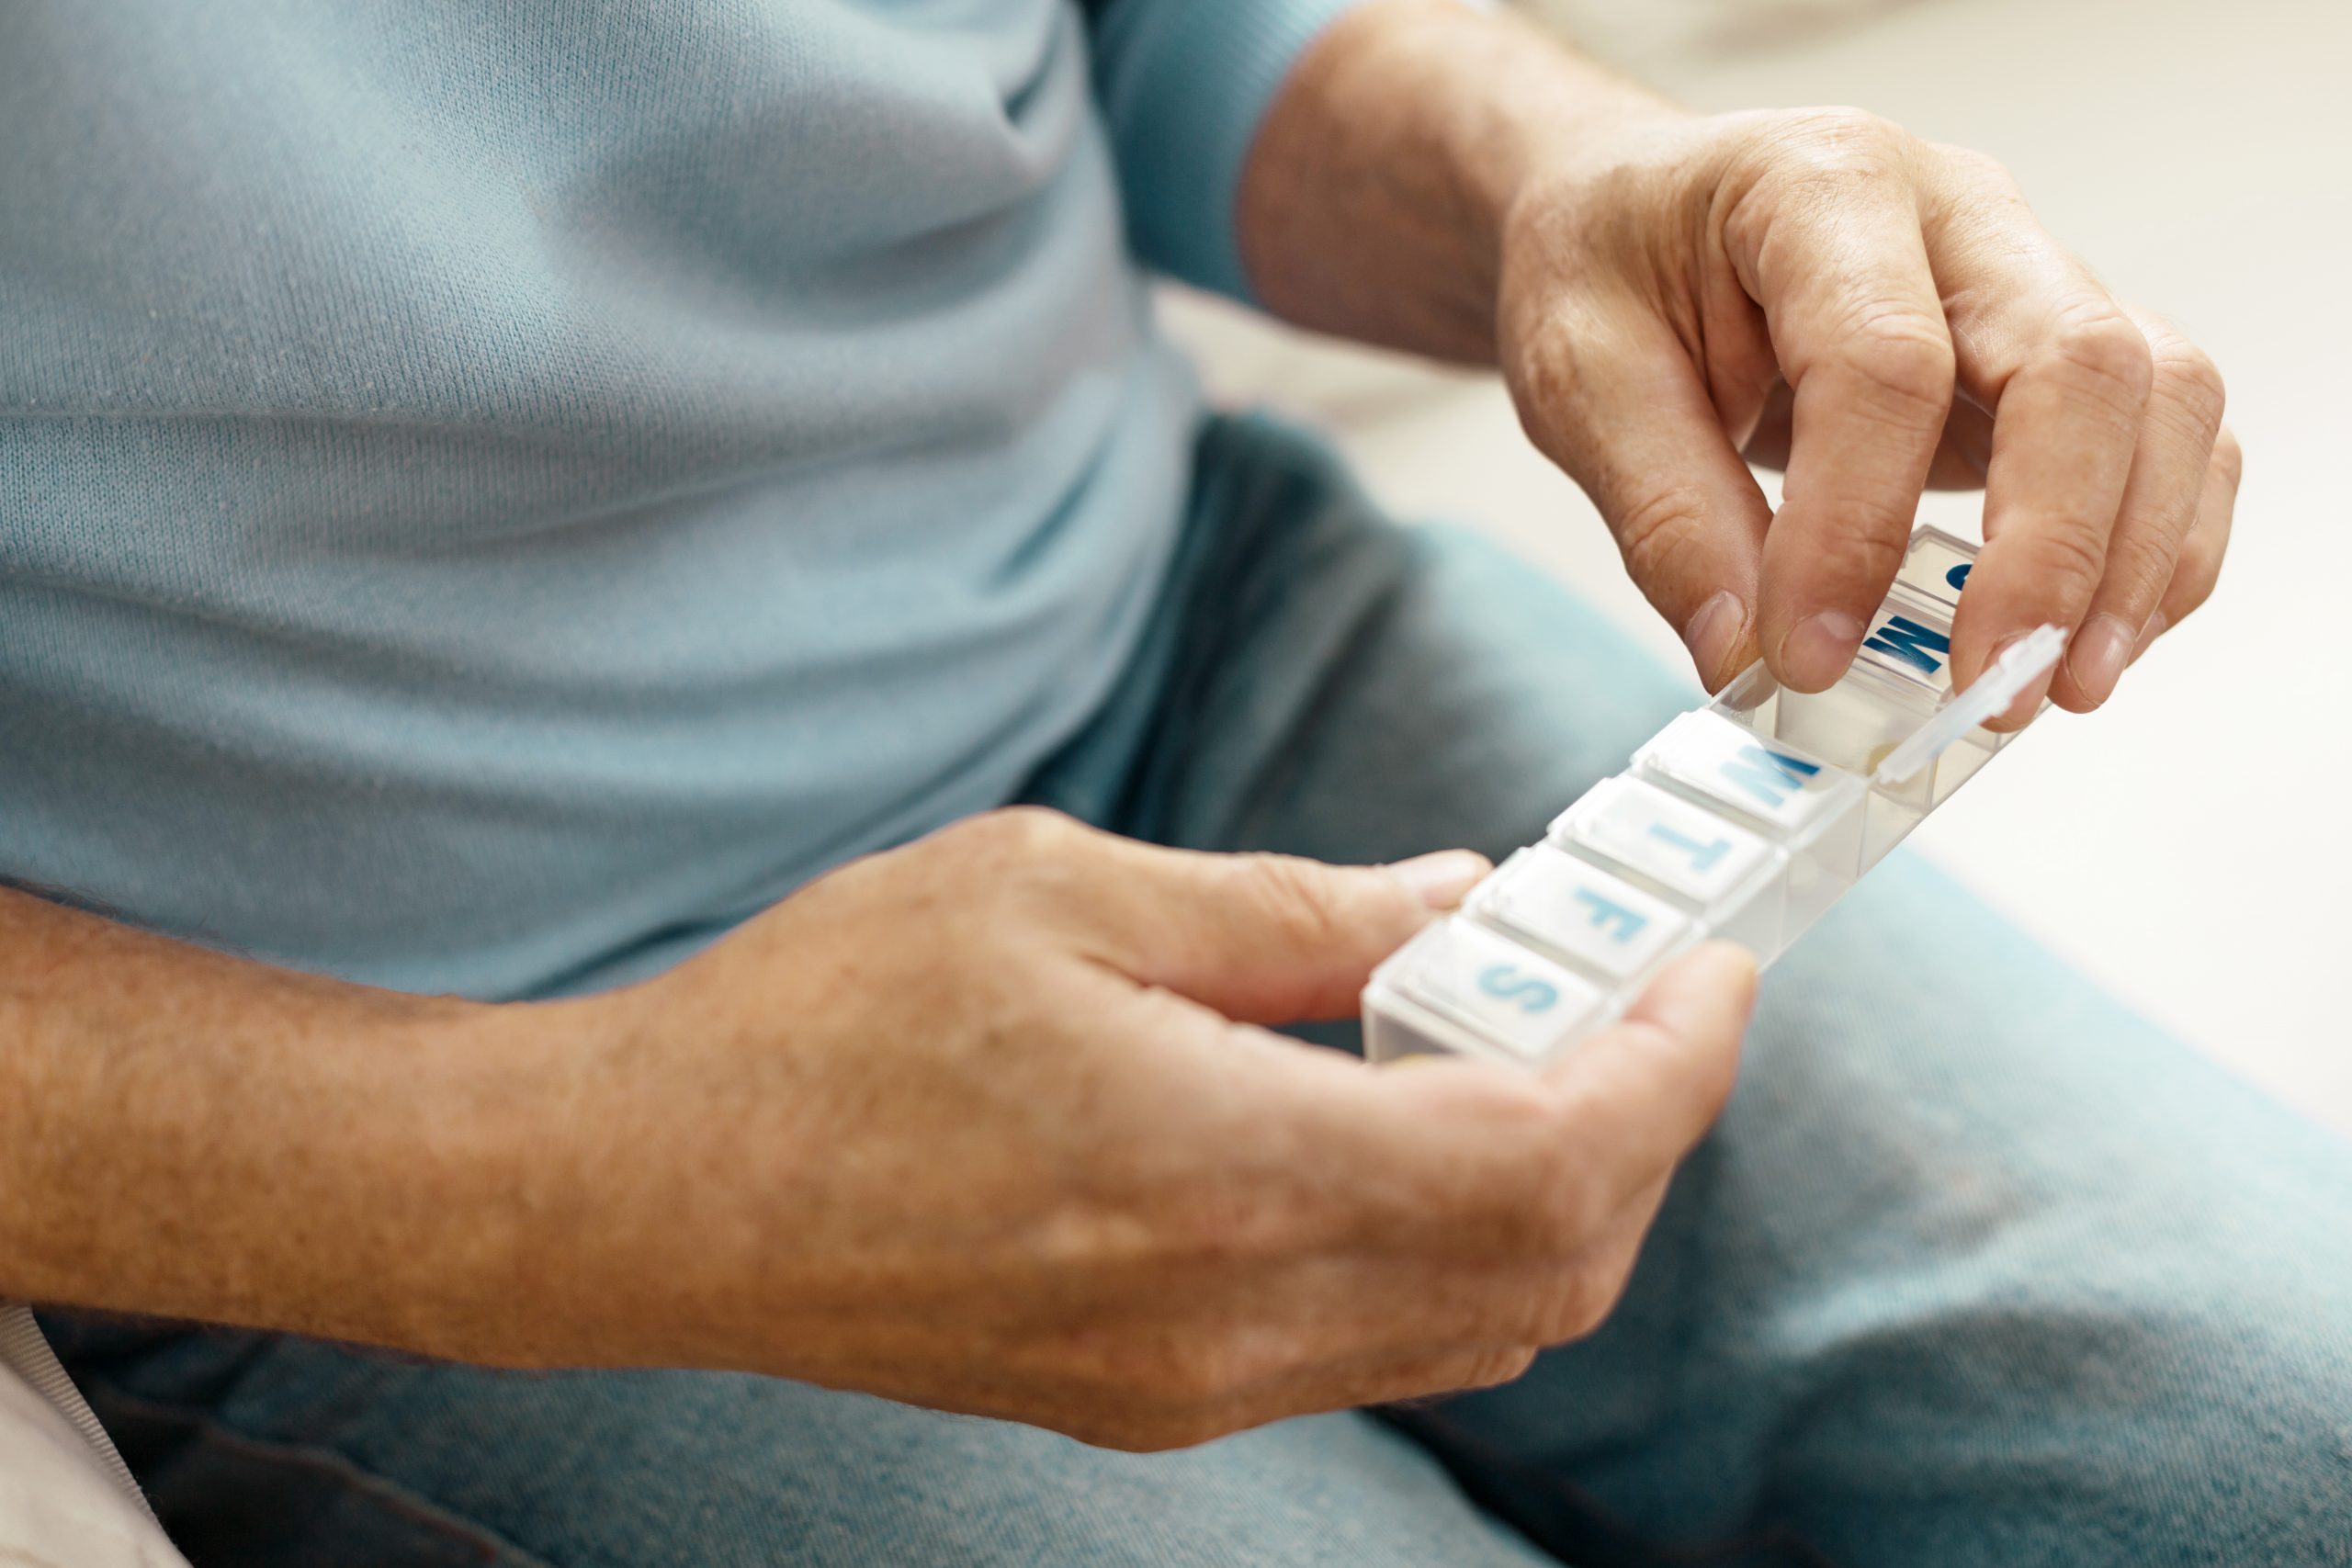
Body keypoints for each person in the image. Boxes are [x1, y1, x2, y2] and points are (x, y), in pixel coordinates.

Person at [2, 0, 2343, 1562]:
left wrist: (1573, 169)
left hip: (1193, 631)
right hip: (381, 1056)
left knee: (2287, 1448)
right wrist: (555, 1169)